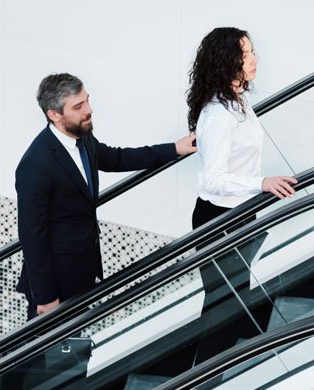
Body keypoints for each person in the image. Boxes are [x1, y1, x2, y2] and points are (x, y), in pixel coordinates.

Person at [16, 73, 197, 319]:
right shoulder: (36, 164)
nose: (89, 110)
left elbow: (117, 158)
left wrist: (174, 149)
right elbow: (32, 236)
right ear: (54, 114)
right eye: (78, 106)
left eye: (87, 101)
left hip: (81, 272)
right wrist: (47, 298)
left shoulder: (82, 137)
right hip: (55, 285)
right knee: (47, 353)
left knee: (77, 349)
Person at [186, 28, 297, 361]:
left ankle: (225, 359)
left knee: (232, 299)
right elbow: (214, 180)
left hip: (238, 214)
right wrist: (261, 183)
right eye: (246, 54)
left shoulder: (238, 100)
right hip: (218, 219)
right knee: (222, 306)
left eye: (252, 52)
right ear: (227, 61)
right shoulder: (219, 115)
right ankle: (199, 380)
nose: (254, 60)